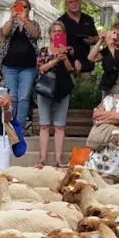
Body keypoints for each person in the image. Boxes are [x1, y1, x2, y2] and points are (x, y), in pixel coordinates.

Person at [34, 21, 80, 168]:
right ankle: (42, 159)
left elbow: (71, 70)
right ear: (50, 34)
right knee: (44, 125)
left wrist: (64, 56)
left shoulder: (69, 50)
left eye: (60, 31)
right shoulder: (43, 51)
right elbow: (41, 68)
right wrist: (55, 60)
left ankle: (59, 160)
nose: (57, 34)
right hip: (45, 88)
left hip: (62, 88)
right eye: (54, 31)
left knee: (60, 126)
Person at [0, 0, 41, 124]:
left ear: (29, 9)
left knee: (24, 97)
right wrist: (12, 17)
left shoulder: (33, 23)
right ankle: (11, 122)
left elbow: (35, 35)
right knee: (13, 96)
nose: (22, 9)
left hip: (28, 67)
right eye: (18, 6)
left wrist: (25, 19)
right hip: (10, 66)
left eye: (25, 7)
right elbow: (5, 33)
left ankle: (20, 124)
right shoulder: (10, 23)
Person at [57, 0, 98, 78]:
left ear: (80, 2)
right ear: (66, 5)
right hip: (67, 66)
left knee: (85, 91)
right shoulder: (60, 22)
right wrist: (72, 60)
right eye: (71, 2)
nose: (74, 4)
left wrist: (93, 40)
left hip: (86, 65)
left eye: (76, 1)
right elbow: (58, 45)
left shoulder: (88, 19)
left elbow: (96, 38)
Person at [88, 22, 119, 95]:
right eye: (114, 34)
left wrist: (111, 46)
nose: (116, 37)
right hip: (108, 84)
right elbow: (91, 58)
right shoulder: (110, 48)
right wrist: (100, 41)